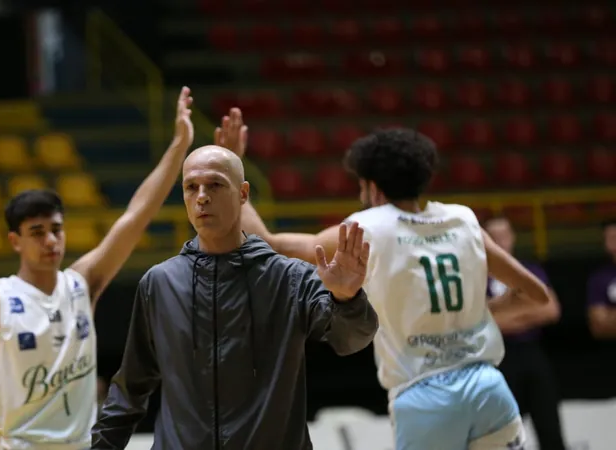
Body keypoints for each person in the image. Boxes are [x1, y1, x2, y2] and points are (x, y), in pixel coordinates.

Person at [219, 109, 553, 450]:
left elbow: (269, 244)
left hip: (424, 396)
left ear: (373, 188)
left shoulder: (369, 227)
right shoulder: (462, 220)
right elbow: (536, 294)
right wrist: (476, 313)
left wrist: (232, 165)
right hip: (488, 388)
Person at [0, 86, 196, 450]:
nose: (50, 241)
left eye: (56, 230)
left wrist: (178, 146)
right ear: (15, 241)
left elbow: (135, 216)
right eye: (37, 232)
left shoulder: (82, 283)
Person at [92, 145, 378, 449]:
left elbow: (351, 340)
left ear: (243, 193)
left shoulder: (290, 278)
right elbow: (131, 387)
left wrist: (347, 298)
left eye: (215, 184)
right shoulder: (159, 283)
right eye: (191, 187)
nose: (201, 196)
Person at [485, 216, 566, 450]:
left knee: (549, 425)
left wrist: (500, 312)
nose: (500, 242)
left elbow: (551, 310)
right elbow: (481, 323)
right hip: (497, 359)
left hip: (532, 354)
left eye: (504, 235)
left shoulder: (529, 270)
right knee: (504, 432)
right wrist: (525, 310)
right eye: (494, 237)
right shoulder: (476, 274)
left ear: (512, 237)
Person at [587, 219, 616, 339]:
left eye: (614, 238)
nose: (610, 245)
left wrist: (610, 315)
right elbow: (598, 327)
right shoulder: (599, 278)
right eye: (607, 239)